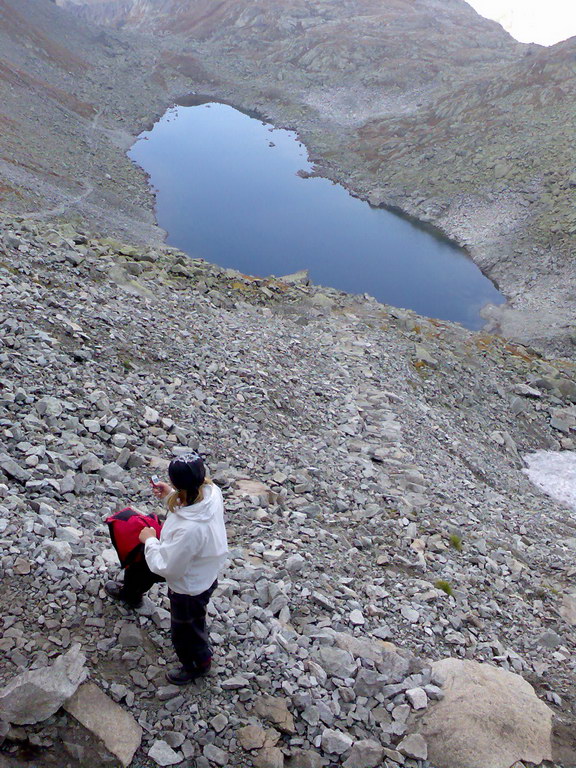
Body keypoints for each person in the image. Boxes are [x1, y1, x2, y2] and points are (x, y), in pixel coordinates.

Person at [105, 453, 229, 685]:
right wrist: (171, 496)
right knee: (141, 565)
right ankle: (131, 594)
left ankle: (198, 664)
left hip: (190, 586)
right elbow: (192, 505)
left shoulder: (190, 530)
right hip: (198, 565)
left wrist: (150, 540)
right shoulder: (212, 492)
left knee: (186, 629)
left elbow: (168, 568)